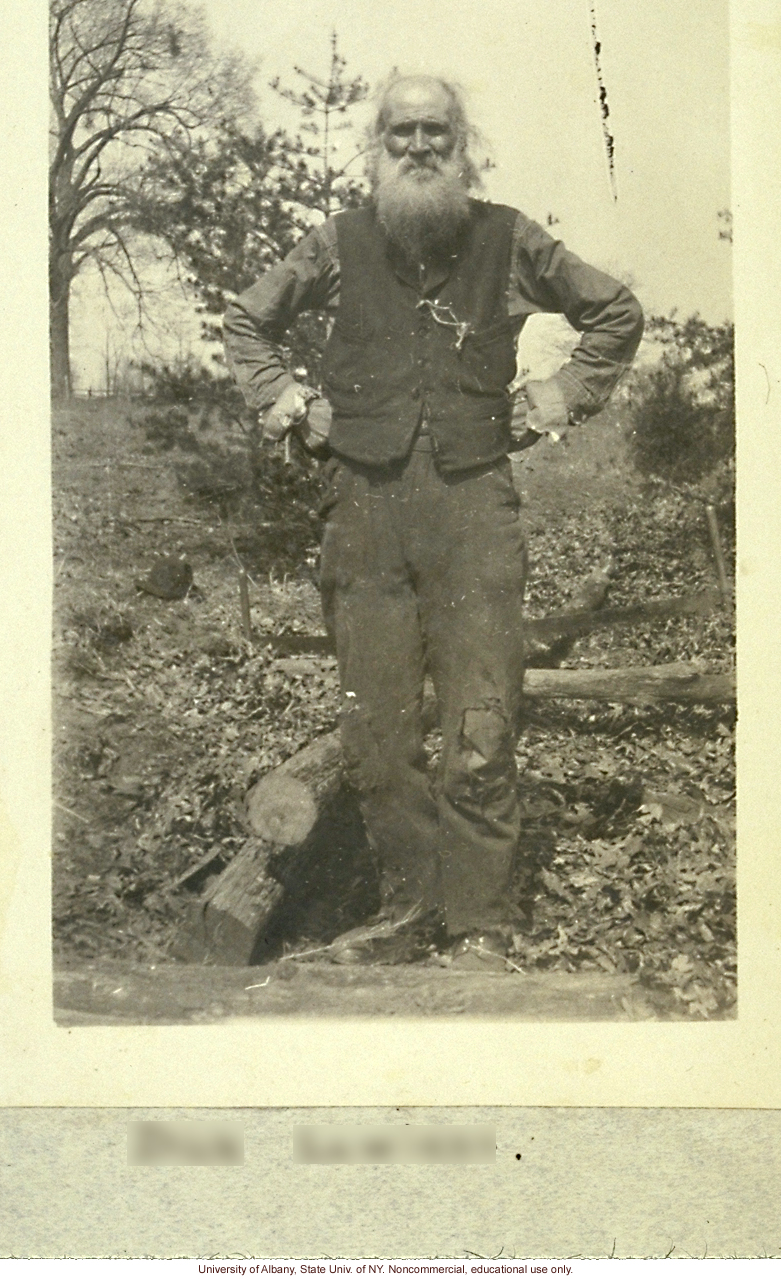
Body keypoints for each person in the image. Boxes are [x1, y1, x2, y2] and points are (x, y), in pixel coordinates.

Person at [223, 75, 643, 970]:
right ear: (376, 143)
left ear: (464, 141)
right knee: (376, 734)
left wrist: (561, 394)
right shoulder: (337, 243)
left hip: (473, 510)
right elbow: (247, 322)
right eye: (401, 131)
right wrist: (294, 405)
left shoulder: (506, 238)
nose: (418, 146)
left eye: (435, 131)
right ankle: (408, 917)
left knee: (482, 725)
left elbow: (614, 311)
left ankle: (481, 928)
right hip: (363, 513)